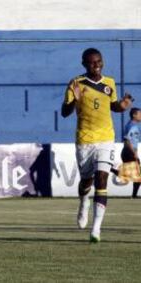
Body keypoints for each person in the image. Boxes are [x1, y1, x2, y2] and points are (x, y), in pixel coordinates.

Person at [61, 48, 133, 243]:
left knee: (102, 179)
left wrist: (122, 105)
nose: (97, 65)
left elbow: (113, 106)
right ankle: (83, 201)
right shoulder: (76, 83)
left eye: (99, 61)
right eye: (93, 62)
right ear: (84, 64)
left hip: (106, 139)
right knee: (87, 182)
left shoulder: (109, 83)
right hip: (85, 140)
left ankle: (96, 230)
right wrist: (74, 100)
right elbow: (64, 112)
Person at [121, 107, 141, 198]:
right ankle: (134, 195)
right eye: (139, 114)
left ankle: (111, 169)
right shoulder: (131, 126)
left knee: (133, 175)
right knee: (137, 174)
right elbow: (127, 141)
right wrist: (134, 153)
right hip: (128, 152)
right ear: (134, 115)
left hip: (129, 152)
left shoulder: (134, 125)